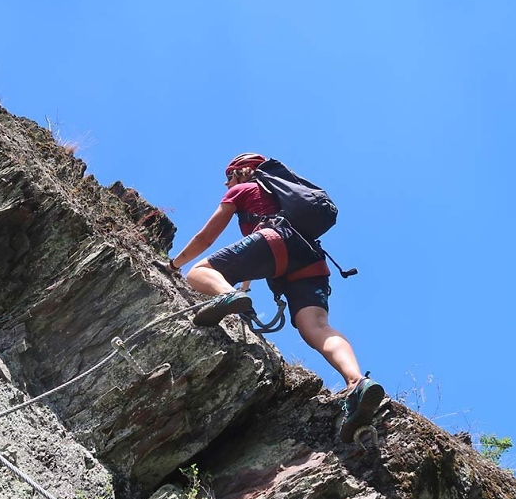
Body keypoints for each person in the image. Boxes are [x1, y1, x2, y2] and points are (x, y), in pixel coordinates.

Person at [164, 153, 386, 443]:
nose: (226, 183)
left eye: (228, 176)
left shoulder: (243, 189)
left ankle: (225, 295)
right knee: (317, 327)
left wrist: (173, 266)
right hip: (309, 260)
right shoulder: (284, 197)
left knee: (198, 272)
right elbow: (252, 260)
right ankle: (357, 382)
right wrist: (242, 290)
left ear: (242, 172)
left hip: (273, 244)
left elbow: (207, 238)